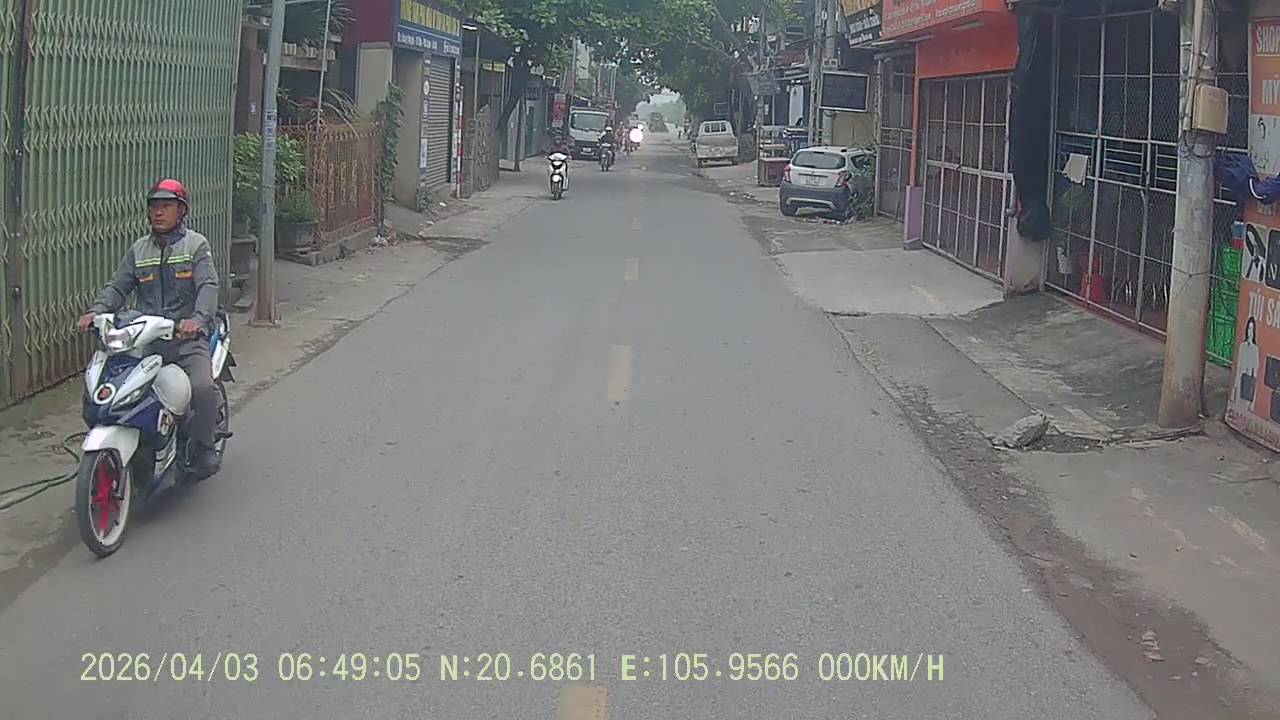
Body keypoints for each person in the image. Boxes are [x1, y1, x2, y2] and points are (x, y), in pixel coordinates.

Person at [78, 179, 222, 479]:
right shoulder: (139, 250)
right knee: (113, 386)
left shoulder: (196, 245)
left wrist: (197, 319)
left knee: (203, 388)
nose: (158, 212)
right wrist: (97, 311)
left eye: (166, 206)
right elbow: (118, 286)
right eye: (154, 206)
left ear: (182, 211)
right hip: (146, 338)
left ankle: (205, 447)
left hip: (186, 339)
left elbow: (208, 285)